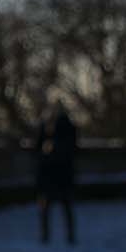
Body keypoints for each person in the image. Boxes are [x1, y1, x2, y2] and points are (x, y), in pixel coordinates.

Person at [35, 104, 78, 244]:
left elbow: (37, 149)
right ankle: (69, 238)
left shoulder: (51, 136)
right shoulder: (68, 133)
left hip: (52, 179)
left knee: (48, 211)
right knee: (66, 210)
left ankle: (46, 238)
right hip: (62, 179)